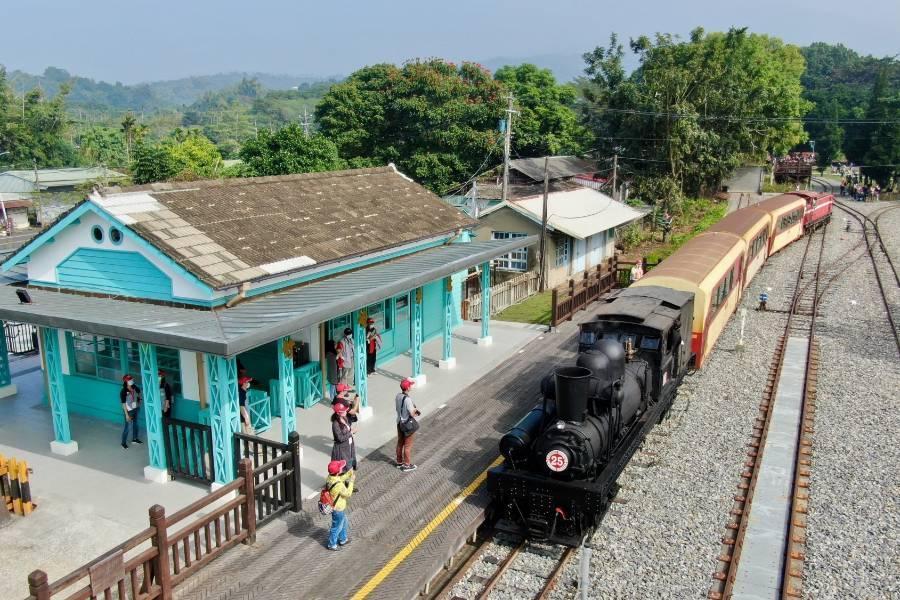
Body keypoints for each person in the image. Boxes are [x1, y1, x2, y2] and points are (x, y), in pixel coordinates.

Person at [325, 459, 355, 551]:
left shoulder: (330, 478)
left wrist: (348, 475)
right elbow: (348, 493)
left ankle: (343, 539)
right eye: (341, 468)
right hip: (338, 509)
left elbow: (339, 479)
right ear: (338, 472)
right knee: (336, 527)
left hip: (336, 508)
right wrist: (351, 481)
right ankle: (331, 544)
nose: (342, 468)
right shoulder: (339, 485)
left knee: (344, 522)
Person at [395, 378, 421, 472]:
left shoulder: (398, 396)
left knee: (400, 443)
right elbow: (412, 413)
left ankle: (399, 462)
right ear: (408, 388)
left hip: (399, 422)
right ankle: (407, 465)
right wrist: (416, 412)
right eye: (410, 385)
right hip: (407, 425)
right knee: (407, 446)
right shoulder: (408, 399)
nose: (411, 386)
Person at [331, 403, 357, 471]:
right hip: (342, 449)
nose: (345, 411)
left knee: (349, 463)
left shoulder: (344, 418)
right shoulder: (335, 424)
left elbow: (348, 428)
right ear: (338, 413)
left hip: (349, 446)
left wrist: (351, 431)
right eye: (343, 411)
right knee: (344, 467)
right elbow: (340, 438)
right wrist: (350, 433)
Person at [120, 375, 142, 449]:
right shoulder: (123, 391)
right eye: (129, 380)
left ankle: (135, 439)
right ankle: (123, 443)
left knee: (136, 425)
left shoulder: (134, 386)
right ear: (126, 382)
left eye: (131, 379)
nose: (131, 381)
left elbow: (139, 392)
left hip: (136, 408)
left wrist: (139, 400)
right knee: (128, 427)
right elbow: (123, 404)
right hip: (129, 411)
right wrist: (126, 415)